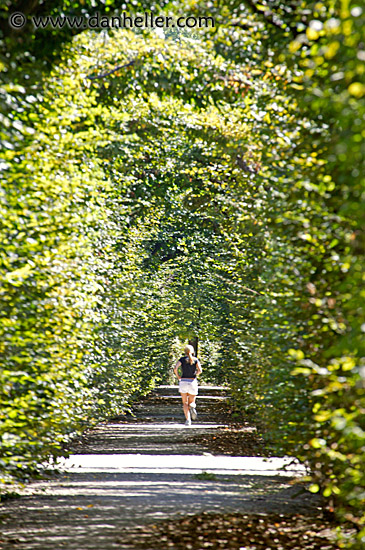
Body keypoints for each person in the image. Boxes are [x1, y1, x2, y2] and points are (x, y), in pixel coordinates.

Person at [174, 345, 202, 426]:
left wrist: (178, 376)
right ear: (192, 351)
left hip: (183, 382)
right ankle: (192, 406)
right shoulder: (195, 360)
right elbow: (200, 370)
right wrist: (195, 374)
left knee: (185, 403)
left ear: (184, 351)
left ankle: (188, 420)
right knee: (191, 401)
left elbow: (175, 368)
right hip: (192, 381)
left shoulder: (182, 360)